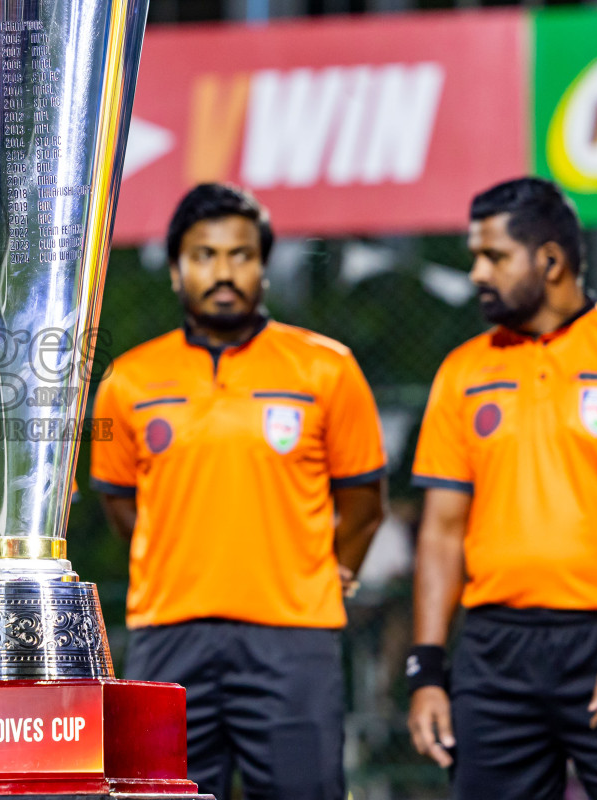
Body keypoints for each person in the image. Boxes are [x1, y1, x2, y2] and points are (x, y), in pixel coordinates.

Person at [407, 177, 597, 799]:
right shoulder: (463, 370)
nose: (476, 273)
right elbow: (441, 534)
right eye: (473, 256)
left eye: (493, 256)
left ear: (549, 261)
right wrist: (427, 672)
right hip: (494, 653)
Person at [91, 183, 387, 800]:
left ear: (263, 267)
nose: (223, 272)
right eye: (204, 256)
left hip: (291, 638)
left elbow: (364, 499)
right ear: (176, 271)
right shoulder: (128, 379)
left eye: (240, 255)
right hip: (169, 635)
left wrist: (332, 572)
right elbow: (120, 504)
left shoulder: (326, 368)